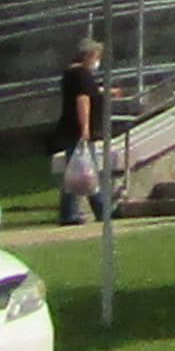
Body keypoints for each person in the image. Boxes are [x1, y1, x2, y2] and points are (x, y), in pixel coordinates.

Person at [53, 34, 109, 226]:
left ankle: (97, 209)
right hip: (78, 130)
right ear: (88, 55)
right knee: (83, 171)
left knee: (81, 171)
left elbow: (88, 92)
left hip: (70, 129)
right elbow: (83, 100)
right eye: (96, 56)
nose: (97, 61)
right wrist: (85, 128)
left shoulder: (72, 74)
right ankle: (79, 212)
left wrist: (105, 92)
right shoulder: (82, 74)